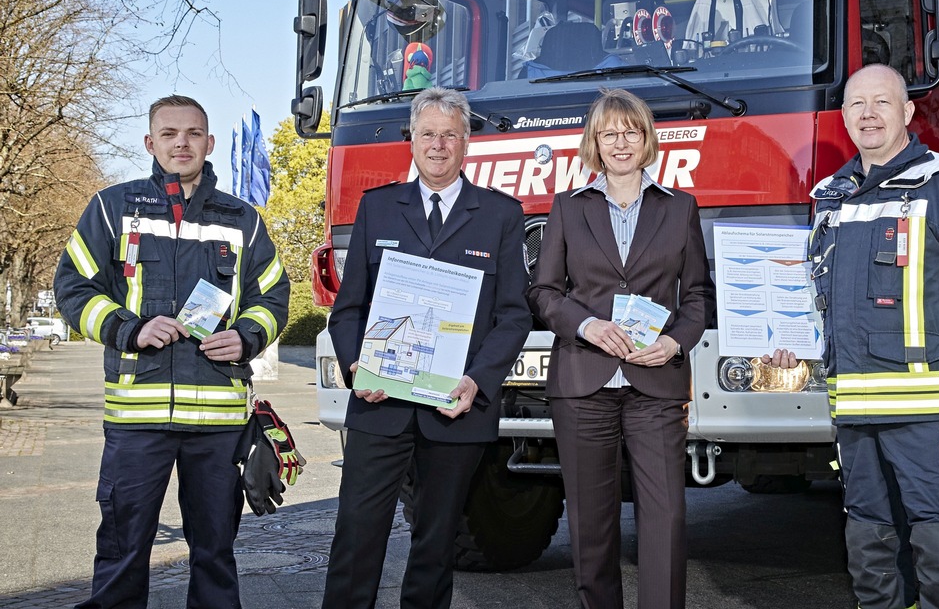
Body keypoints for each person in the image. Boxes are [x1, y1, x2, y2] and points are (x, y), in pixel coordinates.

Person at [783, 64, 939, 609]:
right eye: (856, 104)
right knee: (871, 556)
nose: (868, 114)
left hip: (933, 414)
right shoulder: (830, 198)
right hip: (856, 418)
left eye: (882, 102)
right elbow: (819, 300)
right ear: (842, 117)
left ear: (908, 113)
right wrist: (790, 349)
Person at [54, 94, 290, 609]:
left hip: (218, 422)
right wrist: (127, 328)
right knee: (122, 551)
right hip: (137, 416)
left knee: (214, 555)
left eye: (193, 134)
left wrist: (247, 335)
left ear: (207, 142)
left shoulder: (243, 219)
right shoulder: (111, 208)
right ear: (150, 142)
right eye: (169, 134)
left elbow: (272, 296)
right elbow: (72, 287)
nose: (181, 143)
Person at [321, 87, 531, 609]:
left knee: (437, 546)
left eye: (450, 135)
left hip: (455, 408)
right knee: (355, 536)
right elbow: (348, 309)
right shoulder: (378, 208)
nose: (438, 145)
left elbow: (513, 315)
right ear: (411, 141)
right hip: (378, 404)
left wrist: (478, 380)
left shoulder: (501, 215)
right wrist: (355, 367)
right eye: (428, 134)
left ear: (466, 144)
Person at [528, 88, 716, 609]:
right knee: (591, 523)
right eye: (608, 134)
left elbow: (698, 294)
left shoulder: (680, 208)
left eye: (630, 132)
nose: (620, 142)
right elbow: (543, 291)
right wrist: (586, 326)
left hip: (654, 384)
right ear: (594, 143)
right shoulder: (568, 207)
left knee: (666, 517)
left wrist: (675, 342)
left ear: (646, 138)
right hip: (582, 383)